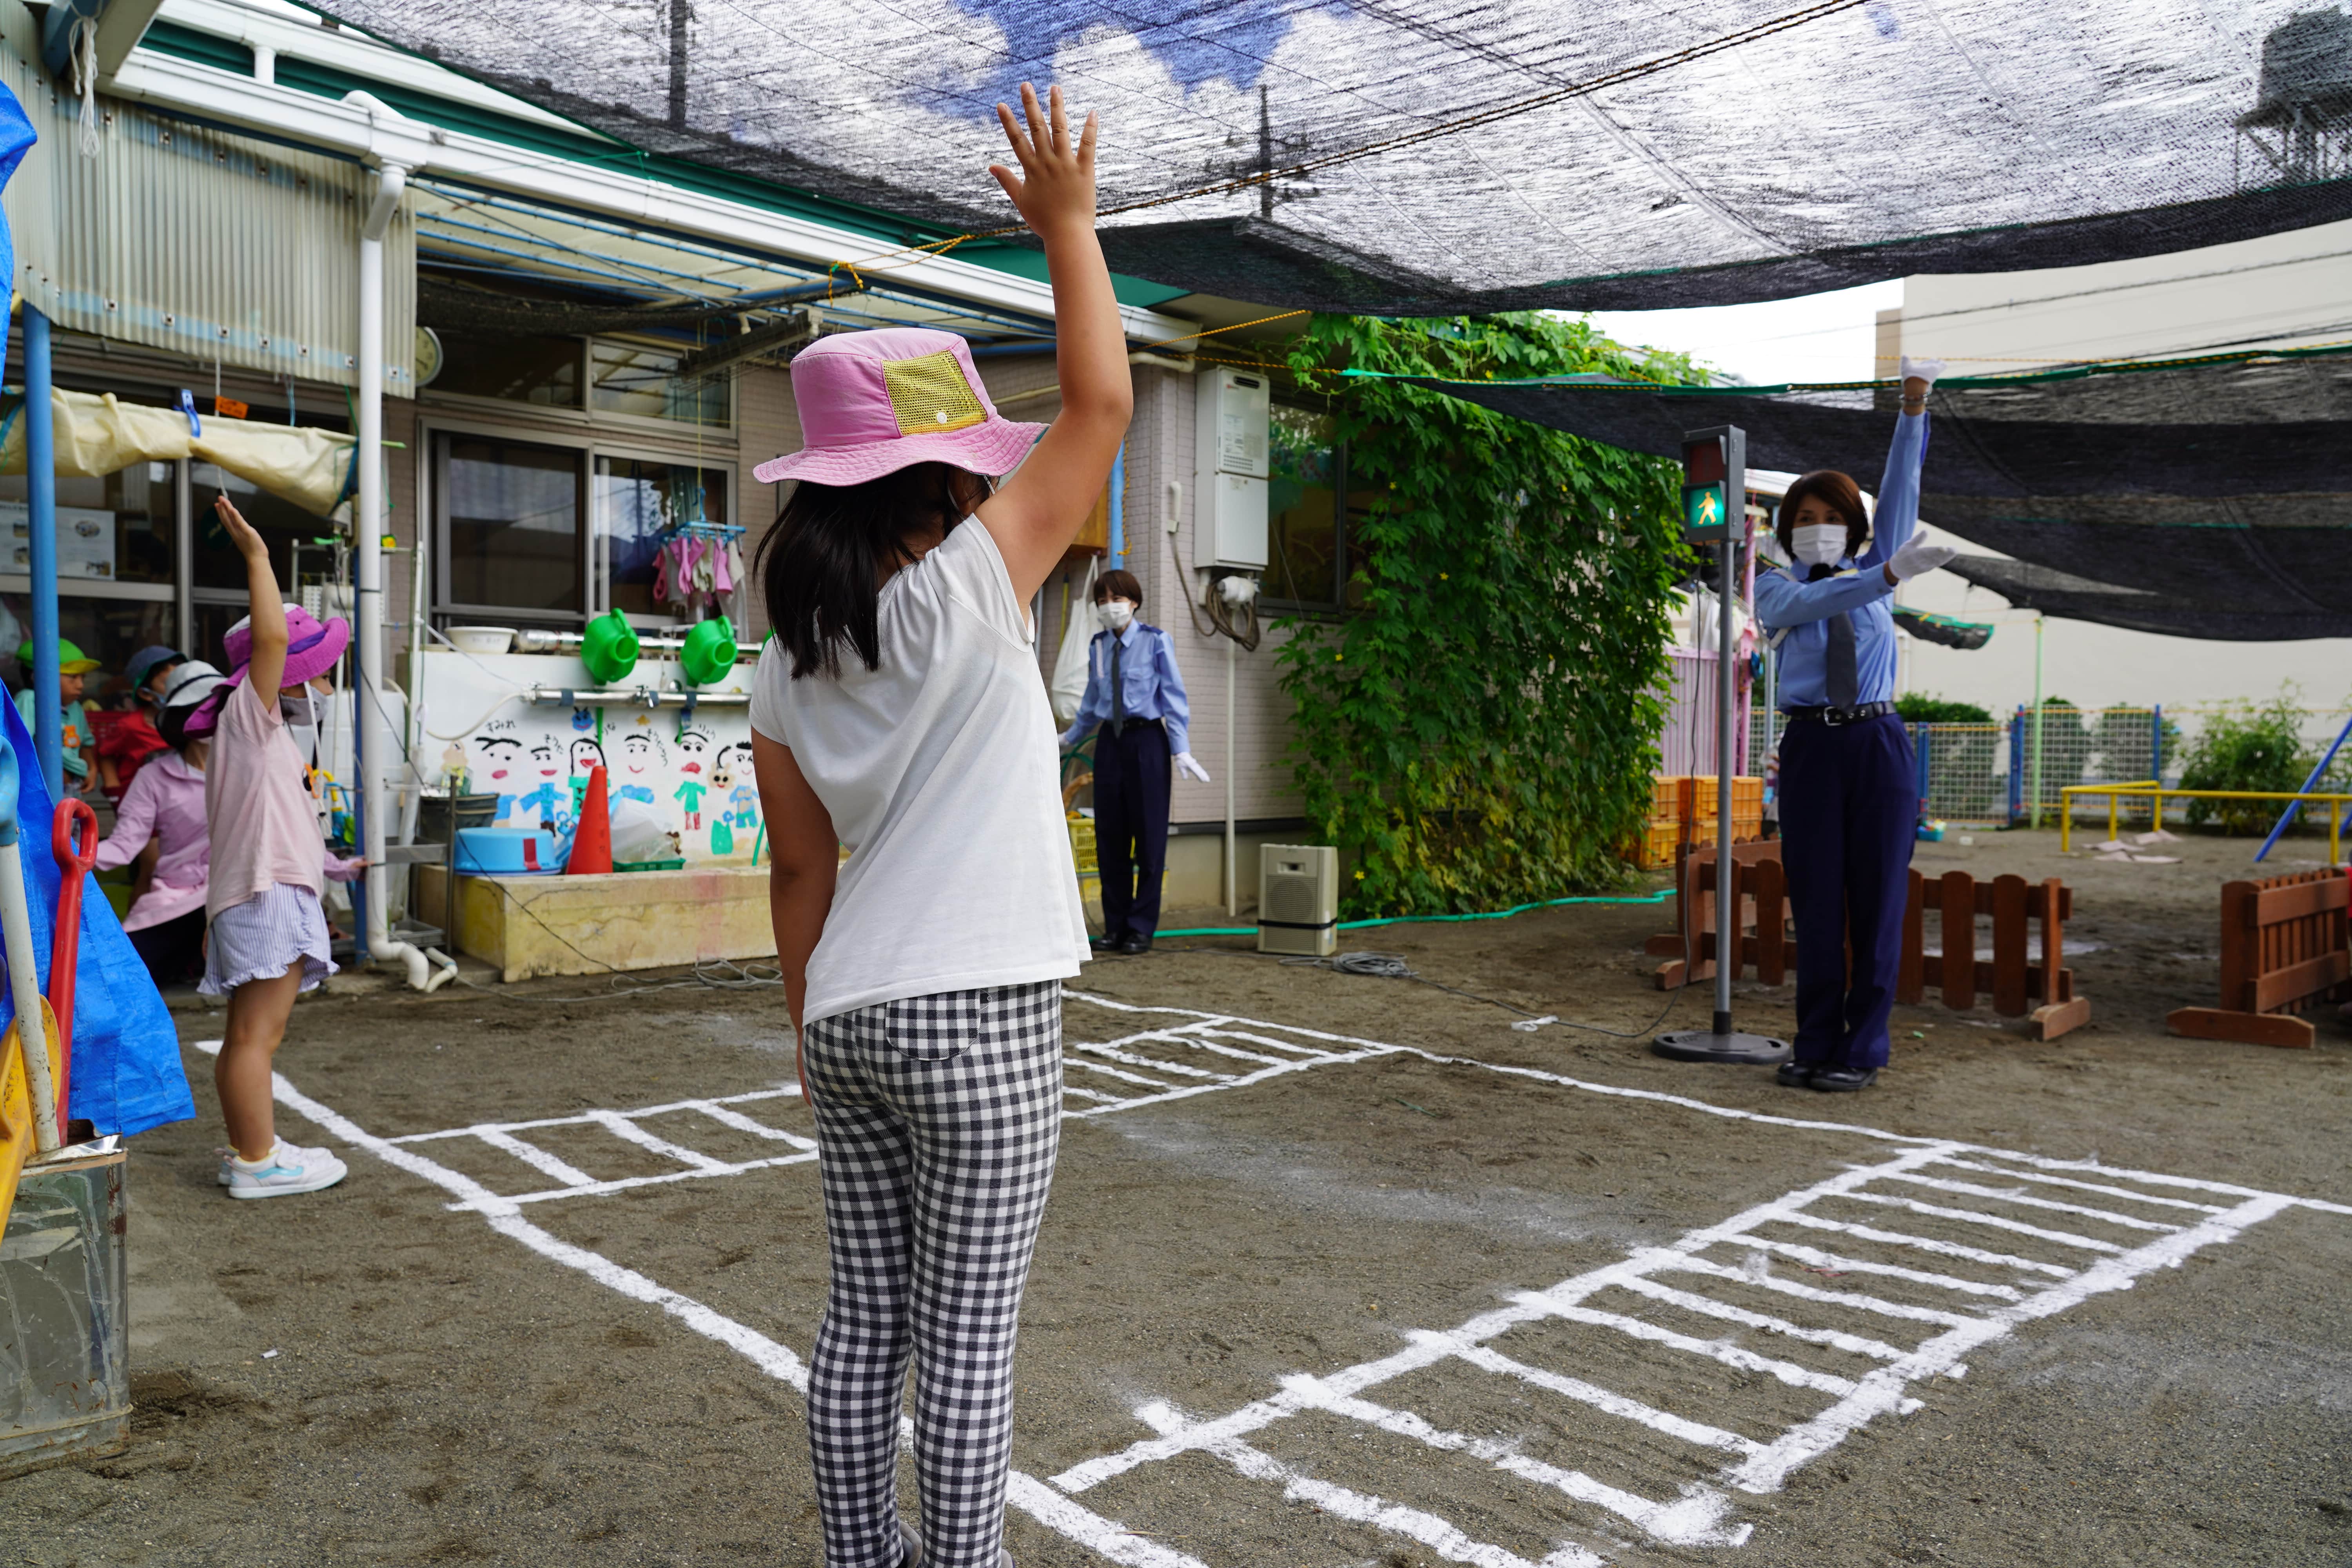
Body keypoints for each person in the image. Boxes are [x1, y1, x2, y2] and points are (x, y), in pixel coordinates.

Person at [748, 83, 1125, 1568]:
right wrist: (1069, 229)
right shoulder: (973, 580)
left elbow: (797, 868)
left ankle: (867, 1556)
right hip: (981, 1014)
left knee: (861, 1323)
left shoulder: (782, 657)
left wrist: (805, 1028)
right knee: (966, 1343)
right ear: (944, 470)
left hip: (848, 1014)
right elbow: (1100, 406)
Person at [1753, 356, 1958, 1093]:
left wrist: (1912, 407)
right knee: (1814, 898)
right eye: (1804, 520)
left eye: (1832, 518)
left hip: (1877, 743)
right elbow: (1809, 609)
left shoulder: (1875, 566)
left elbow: (1902, 491)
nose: (1819, 529)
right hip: (1811, 745)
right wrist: (1889, 579)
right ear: (1786, 529)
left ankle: (1862, 1050)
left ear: (1855, 526)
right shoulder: (1776, 585)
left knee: (1877, 900)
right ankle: (1812, 1040)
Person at [182, 497, 365, 1198]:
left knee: (249, 1034)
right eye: (310, 659)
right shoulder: (248, 717)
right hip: (266, 894)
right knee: (258, 1036)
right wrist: (258, 557)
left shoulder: (256, 732)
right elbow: (270, 645)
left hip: (254, 891)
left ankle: (249, 1149)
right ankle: (258, 1162)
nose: (320, 673)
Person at [1058, 569, 1209, 954]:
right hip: (1110, 741)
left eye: (1117, 598)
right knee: (1110, 835)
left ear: (1134, 601)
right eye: (1103, 600)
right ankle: (1116, 926)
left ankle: (1141, 928)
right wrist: (1066, 739)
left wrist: (1181, 749)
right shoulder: (1097, 645)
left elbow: (1174, 698)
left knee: (1149, 838)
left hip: (1147, 741)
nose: (1110, 606)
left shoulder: (1157, 642)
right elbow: (1092, 705)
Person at [93, 660, 225, 988]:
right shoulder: (154, 776)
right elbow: (125, 845)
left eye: (221, 708)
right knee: (121, 977)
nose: (216, 719)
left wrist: (344, 867)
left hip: (234, 894)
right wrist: (65, 854)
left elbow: (286, 831)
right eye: (204, 710)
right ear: (184, 720)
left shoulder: (246, 770)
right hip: (176, 899)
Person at [95, 643, 183, 801]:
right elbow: (105, 754)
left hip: (179, 801)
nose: (178, 687)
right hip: (139, 802)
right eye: (168, 683)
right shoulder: (130, 726)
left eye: (181, 680)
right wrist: (114, 790)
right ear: (145, 693)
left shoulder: (193, 722)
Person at [15, 636, 101, 793]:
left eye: (83, 678)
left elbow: (86, 743)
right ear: (38, 677)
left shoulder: (75, 707)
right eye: (73, 677)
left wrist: (92, 770)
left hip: (72, 788)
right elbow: (22, 744)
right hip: (40, 790)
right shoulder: (29, 699)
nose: (81, 685)